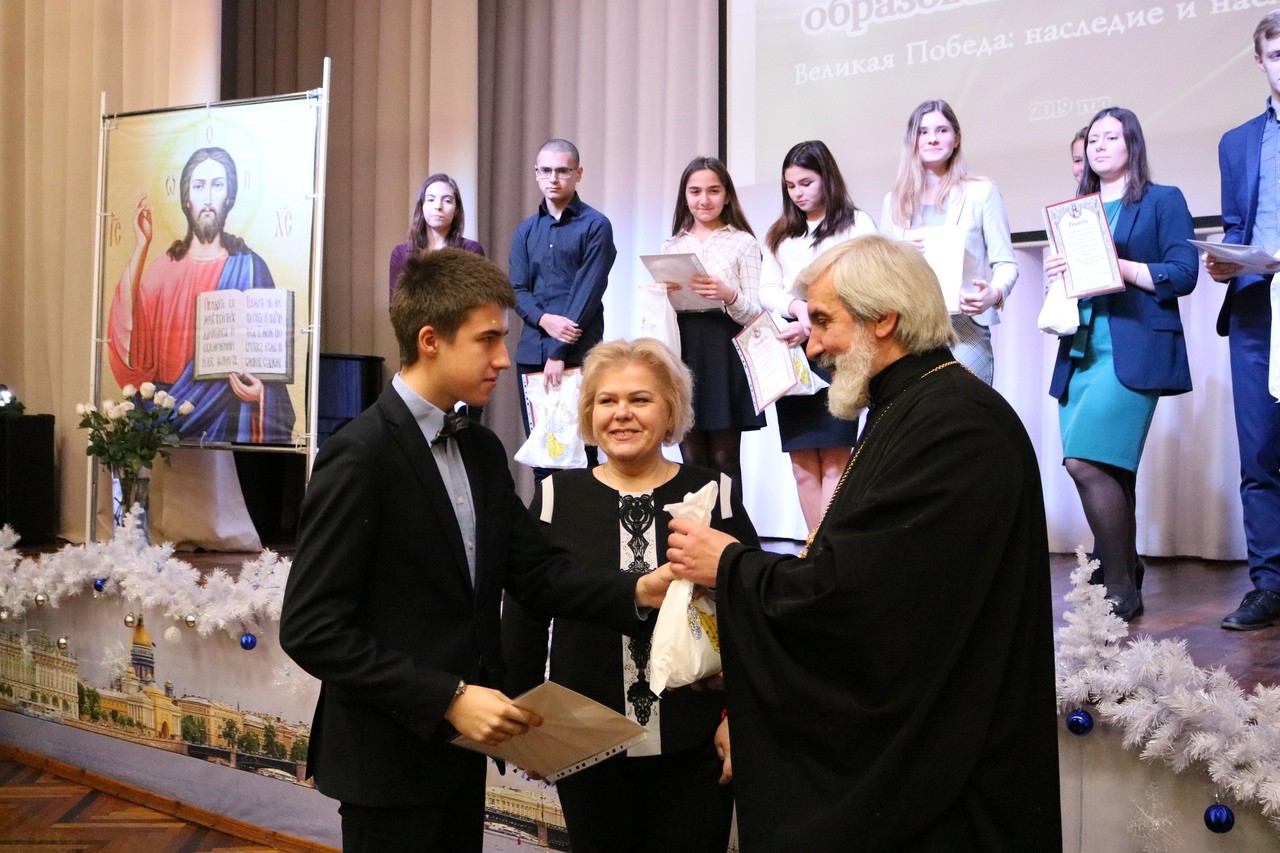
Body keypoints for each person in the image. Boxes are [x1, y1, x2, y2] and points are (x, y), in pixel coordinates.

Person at [666, 234, 1061, 851]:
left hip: (955, 790)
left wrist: (731, 566)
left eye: (824, 321)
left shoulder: (955, 423)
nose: (812, 344)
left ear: (884, 320)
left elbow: (866, 603)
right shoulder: (913, 405)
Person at [279, 249, 671, 853]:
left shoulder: (481, 450)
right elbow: (311, 629)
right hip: (386, 759)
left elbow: (536, 573)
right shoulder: (360, 455)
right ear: (430, 341)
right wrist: (450, 698)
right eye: (488, 339)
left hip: (460, 753)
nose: (504, 359)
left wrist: (638, 590)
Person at [502, 338, 757, 853]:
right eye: (607, 400)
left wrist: (740, 720)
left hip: (697, 741)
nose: (622, 413)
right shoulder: (554, 497)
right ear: (589, 413)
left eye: (640, 399)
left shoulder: (717, 493)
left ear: (672, 412)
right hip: (585, 741)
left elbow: (750, 615)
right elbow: (525, 615)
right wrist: (523, 723)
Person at [1044, 107, 1198, 620]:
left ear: (1133, 143)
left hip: (1133, 348)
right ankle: (1126, 569)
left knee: (1083, 462)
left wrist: (1122, 266)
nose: (1100, 146)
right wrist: (1058, 271)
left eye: (1111, 137)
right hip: (1081, 349)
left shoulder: (1162, 200)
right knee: (1110, 468)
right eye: (1093, 139)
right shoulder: (1075, 211)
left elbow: (1183, 274)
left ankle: (1118, 587)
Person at [107, 146, 295, 444]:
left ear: (229, 197)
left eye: (217, 185)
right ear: (187, 199)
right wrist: (141, 247)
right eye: (199, 186)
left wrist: (260, 394)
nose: (208, 198)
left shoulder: (250, 267)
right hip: (167, 426)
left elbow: (269, 363)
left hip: (227, 426)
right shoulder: (163, 269)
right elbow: (129, 343)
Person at [759, 140, 876, 533]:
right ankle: (813, 547)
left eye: (806, 183)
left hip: (840, 352)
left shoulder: (857, 225)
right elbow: (767, 289)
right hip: (795, 352)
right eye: (790, 186)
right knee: (802, 463)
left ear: (827, 178)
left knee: (835, 460)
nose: (798, 193)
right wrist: (798, 309)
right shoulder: (781, 233)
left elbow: (867, 284)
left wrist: (817, 318)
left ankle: (829, 548)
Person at [1207, 9, 1280, 630]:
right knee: (1258, 453)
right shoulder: (1237, 142)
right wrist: (1227, 262)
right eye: (1276, 55)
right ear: (1259, 62)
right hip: (1257, 306)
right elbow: (1238, 225)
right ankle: (1269, 585)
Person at [879, 99, 1018, 385]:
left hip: (965, 325)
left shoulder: (981, 192)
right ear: (913, 141)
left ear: (956, 139)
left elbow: (1006, 263)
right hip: (910, 327)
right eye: (923, 132)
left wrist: (994, 294)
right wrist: (902, 256)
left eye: (942, 130)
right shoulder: (894, 202)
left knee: (966, 406)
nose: (932, 139)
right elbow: (882, 272)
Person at [510, 138, 616, 480]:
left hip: (579, 354)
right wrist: (544, 320)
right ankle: (545, 516)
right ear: (536, 173)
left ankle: (581, 518)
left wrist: (558, 350)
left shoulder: (596, 225)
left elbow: (588, 291)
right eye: (545, 171)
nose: (553, 178)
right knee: (542, 452)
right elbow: (516, 290)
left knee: (582, 453)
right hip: (532, 354)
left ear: (578, 174)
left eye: (562, 171)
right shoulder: (526, 230)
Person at [658, 156, 765, 494]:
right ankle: (695, 524)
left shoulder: (743, 242)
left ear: (727, 195)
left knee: (724, 458)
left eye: (713, 191)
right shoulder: (671, 246)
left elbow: (757, 313)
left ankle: (732, 525)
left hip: (724, 350)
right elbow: (659, 314)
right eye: (695, 191)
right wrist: (662, 295)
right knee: (691, 458)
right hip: (684, 351)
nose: (704, 200)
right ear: (684, 196)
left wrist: (728, 294)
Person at [388, 172, 486, 299]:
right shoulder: (401, 253)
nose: (438, 206)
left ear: (456, 209)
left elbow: (478, 302)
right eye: (431, 199)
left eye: (447, 201)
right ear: (422, 205)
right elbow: (396, 305)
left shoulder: (471, 250)